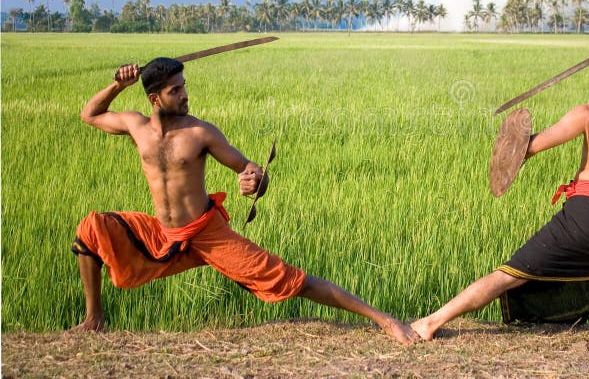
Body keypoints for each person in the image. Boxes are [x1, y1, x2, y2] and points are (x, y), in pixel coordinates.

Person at [71, 58, 419, 345]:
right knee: (91, 230)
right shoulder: (135, 125)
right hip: (163, 234)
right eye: (175, 90)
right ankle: (94, 319)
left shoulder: (200, 133)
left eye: (184, 86)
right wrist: (118, 84)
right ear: (154, 99)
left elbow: (249, 167)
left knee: (292, 280)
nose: (185, 94)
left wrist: (255, 180)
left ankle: (385, 321)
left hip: (208, 232)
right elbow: (90, 114)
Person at [411, 24, 589, 344]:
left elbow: (527, 149)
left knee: (508, 275)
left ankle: (431, 322)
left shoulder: (587, 113)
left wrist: (512, 137)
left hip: (581, 220)